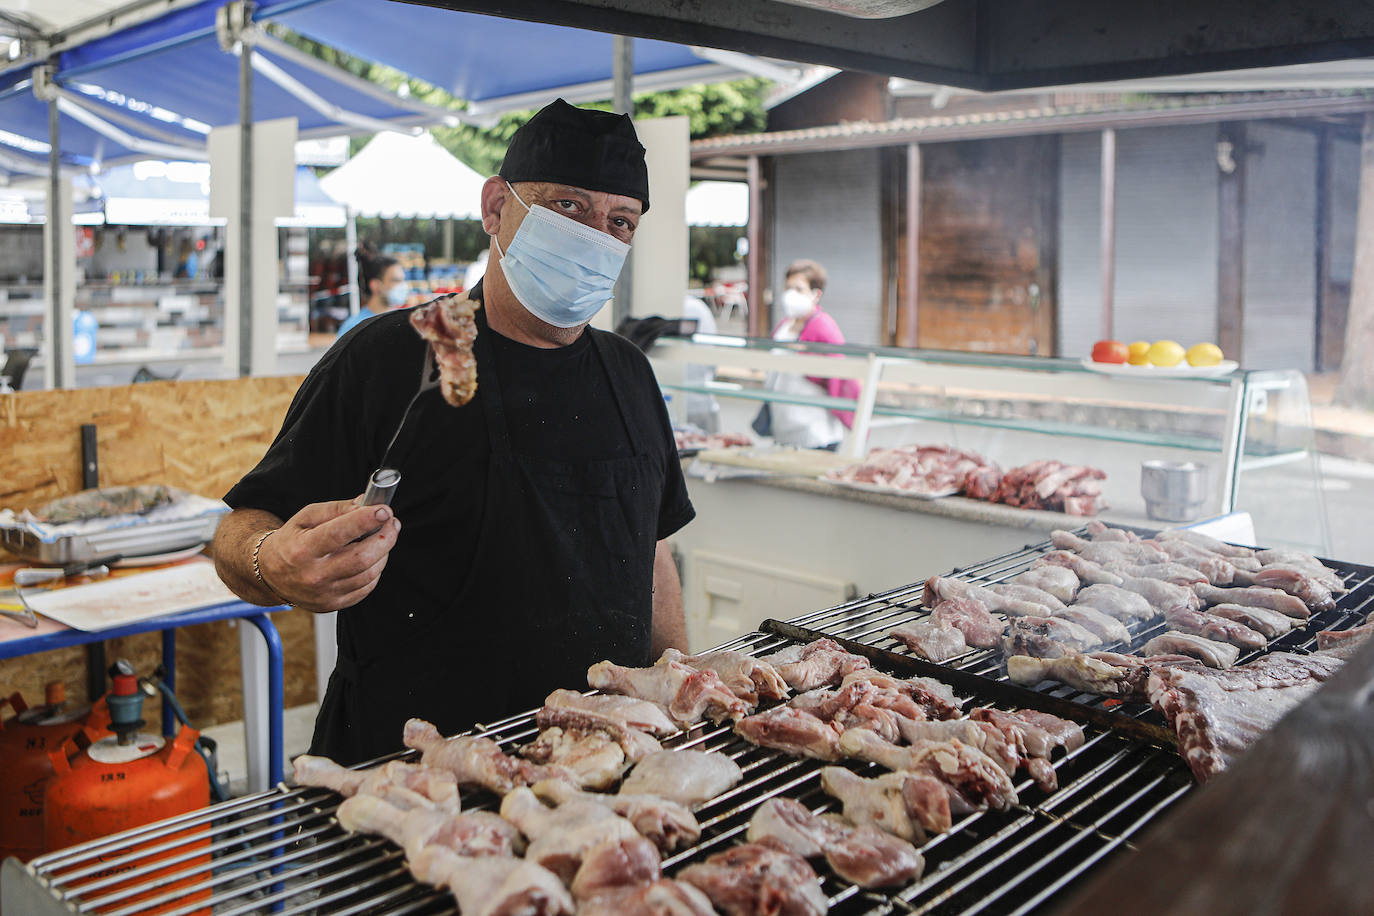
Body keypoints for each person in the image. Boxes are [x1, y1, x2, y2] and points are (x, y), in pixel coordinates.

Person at [212, 99, 695, 765]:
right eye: (568, 207)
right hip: (412, 776)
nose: (595, 237)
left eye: (620, 222)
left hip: (598, 769)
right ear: (496, 208)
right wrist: (272, 562)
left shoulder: (630, 375)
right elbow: (238, 531)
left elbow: (653, 552)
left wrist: (682, 695)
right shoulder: (387, 359)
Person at [763, 259, 861, 449]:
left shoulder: (823, 326)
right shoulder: (784, 326)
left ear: (816, 294)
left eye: (799, 289)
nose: (791, 294)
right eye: (788, 288)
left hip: (816, 432)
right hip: (784, 429)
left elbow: (840, 374)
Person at [336, 248, 407, 338]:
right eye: (396, 280)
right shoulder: (354, 329)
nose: (403, 286)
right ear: (375, 285)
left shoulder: (404, 322)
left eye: (403, 280)